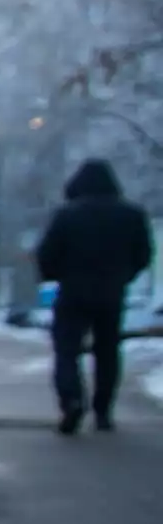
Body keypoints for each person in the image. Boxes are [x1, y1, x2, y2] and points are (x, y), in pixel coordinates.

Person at [36, 158, 154, 435]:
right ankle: (103, 411)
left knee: (66, 350)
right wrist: (124, 275)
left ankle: (72, 399)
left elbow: (46, 253)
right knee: (107, 352)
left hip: (73, 292)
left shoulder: (67, 215)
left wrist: (57, 275)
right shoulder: (131, 215)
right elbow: (144, 254)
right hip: (111, 293)